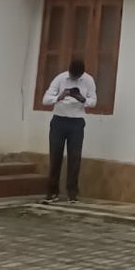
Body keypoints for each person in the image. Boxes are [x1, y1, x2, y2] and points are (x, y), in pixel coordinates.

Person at [42, 57, 97, 203]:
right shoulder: (60, 79)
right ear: (69, 71)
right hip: (59, 121)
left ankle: (72, 194)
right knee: (55, 156)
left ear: (81, 74)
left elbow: (94, 101)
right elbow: (45, 99)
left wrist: (82, 99)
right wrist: (59, 97)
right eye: (72, 76)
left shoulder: (88, 80)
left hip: (77, 123)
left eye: (77, 77)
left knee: (75, 158)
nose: (74, 79)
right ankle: (52, 193)